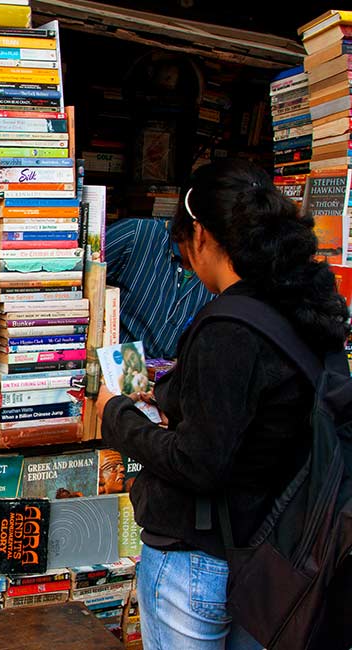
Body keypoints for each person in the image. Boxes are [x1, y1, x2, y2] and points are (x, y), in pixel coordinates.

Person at [97, 158, 349, 649]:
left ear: (203, 235)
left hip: (200, 562)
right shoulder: (304, 309)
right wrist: (175, 396)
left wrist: (116, 413)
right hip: (273, 559)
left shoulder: (228, 327)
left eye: (186, 248)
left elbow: (199, 463)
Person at [106, 216, 216, 359]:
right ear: (200, 230)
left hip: (167, 378)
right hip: (107, 369)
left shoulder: (219, 274)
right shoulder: (135, 234)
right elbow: (76, 281)